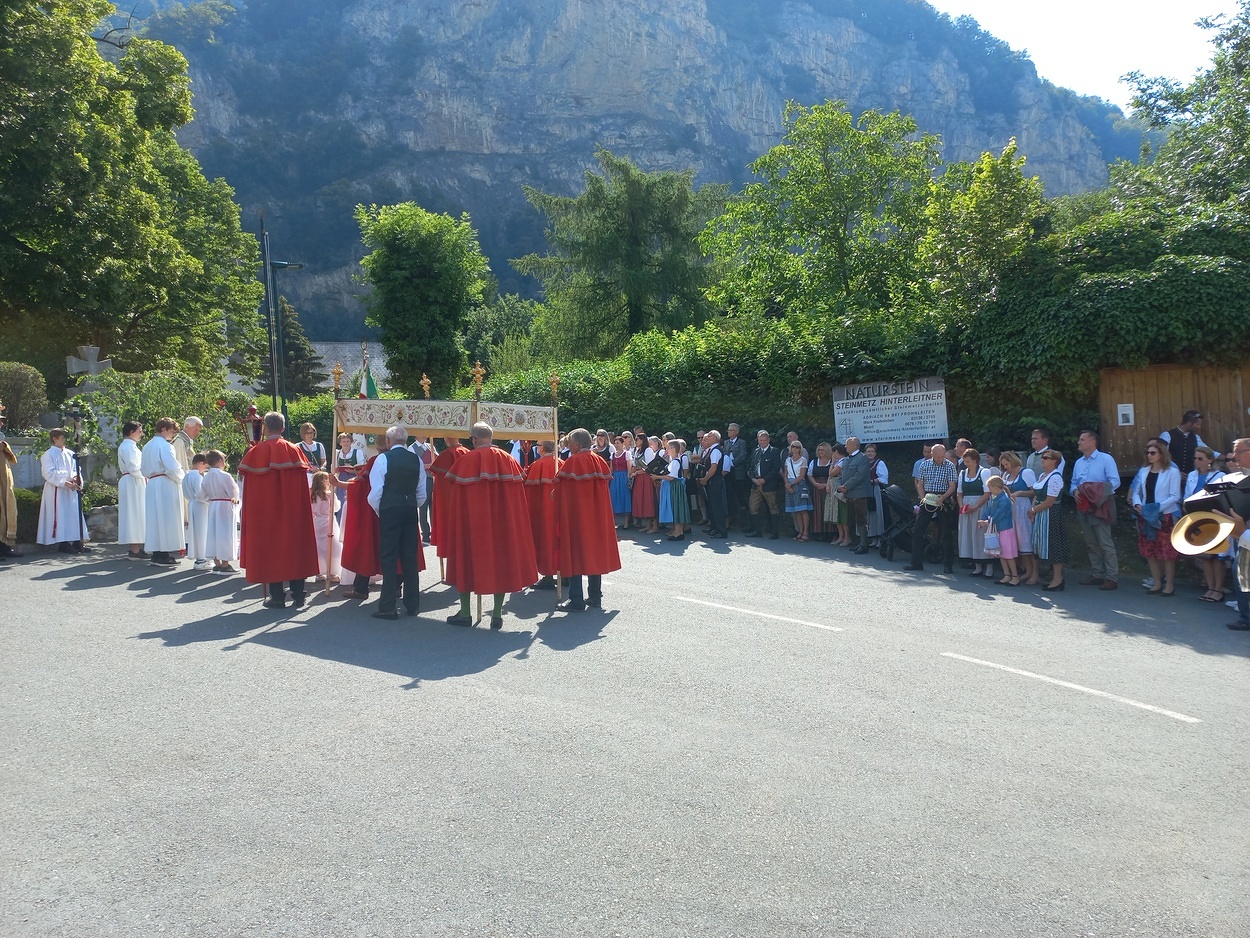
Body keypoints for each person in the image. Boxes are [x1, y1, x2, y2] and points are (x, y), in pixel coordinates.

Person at [444, 422, 538, 630]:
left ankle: (465, 613)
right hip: (503, 524)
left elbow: (456, 498)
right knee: (501, 564)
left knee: (465, 561)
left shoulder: (465, 461)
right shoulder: (509, 460)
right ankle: (496, 614)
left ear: (474, 439)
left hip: (472, 525)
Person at [238, 411, 319, 610]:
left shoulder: (256, 452)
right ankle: (298, 595)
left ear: (265, 428)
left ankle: (277, 597)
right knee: (295, 549)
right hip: (294, 512)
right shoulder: (295, 450)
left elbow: (246, 487)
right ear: (282, 428)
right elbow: (306, 483)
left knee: (272, 550)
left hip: (267, 514)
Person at [553, 428, 622, 611]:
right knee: (594, 553)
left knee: (575, 553)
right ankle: (595, 597)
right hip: (597, 516)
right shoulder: (598, 460)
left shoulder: (573, 461)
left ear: (576, 444)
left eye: (570, 443)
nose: (568, 446)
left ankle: (576, 599)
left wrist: (555, 494)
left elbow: (562, 490)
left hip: (577, 516)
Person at [367, 426, 426, 620]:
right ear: (405, 440)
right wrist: (411, 504)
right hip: (409, 508)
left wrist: (381, 510)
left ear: (388, 441)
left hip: (390, 510)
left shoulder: (383, 459)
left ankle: (387, 606)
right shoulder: (416, 460)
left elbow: (375, 492)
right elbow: (421, 492)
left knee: (389, 557)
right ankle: (413, 604)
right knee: (409, 557)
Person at [1129, 439, 1182, 596]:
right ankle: (1157, 582)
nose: (1149, 455)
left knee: (1167, 551)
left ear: (1161, 454)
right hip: (1146, 515)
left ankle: (1169, 584)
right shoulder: (1144, 471)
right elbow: (1137, 492)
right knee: (1150, 549)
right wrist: (1138, 504)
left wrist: (1156, 508)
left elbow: (1175, 496)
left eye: (1153, 453)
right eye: (1148, 453)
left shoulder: (1172, 472)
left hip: (1164, 515)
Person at [338, 435, 389, 599]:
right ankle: (395, 588)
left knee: (368, 546)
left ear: (377, 446)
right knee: (392, 549)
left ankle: (361, 589)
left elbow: (360, 486)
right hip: (395, 510)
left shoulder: (375, 460)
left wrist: (337, 483)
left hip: (373, 510)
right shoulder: (402, 459)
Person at [1071, 429, 1121, 590]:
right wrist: (1075, 491)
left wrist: (1095, 491)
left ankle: (1112, 577)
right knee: (1091, 542)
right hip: (1083, 505)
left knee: (1105, 542)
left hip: (1101, 505)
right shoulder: (1079, 462)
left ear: (1092, 442)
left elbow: (1115, 482)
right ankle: (1097, 574)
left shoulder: (1106, 459)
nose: (1078, 442)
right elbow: (1073, 482)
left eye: (1082, 439)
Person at [1183, 446, 1228, 603]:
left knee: (1217, 556)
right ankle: (1210, 587)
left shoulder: (1220, 476)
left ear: (1210, 460)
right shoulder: (1192, 475)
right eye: (1195, 458)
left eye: (1200, 458)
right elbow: (1187, 496)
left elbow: (1222, 497)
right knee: (1205, 556)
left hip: (1215, 519)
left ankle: (1218, 589)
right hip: (1198, 518)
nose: (1197, 461)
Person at [907, 443, 958, 573]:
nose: (940, 459)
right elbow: (920, 484)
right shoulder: (924, 465)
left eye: (942, 456)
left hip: (943, 498)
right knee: (918, 530)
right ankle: (916, 563)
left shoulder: (950, 466)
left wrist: (944, 497)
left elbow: (952, 485)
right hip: (928, 498)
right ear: (932, 454)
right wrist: (922, 498)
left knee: (946, 532)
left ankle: (948, 565)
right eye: (938, 456)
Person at [37, 428, 89, 554]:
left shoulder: (70, 453)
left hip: (71, 490)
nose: (65, 439)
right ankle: (63, 543)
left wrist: (76, 478)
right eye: (63, 437)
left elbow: (76, 469)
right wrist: (65, 482)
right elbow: (48, 473)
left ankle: (76, 541)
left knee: (73, 515)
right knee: (61, 515)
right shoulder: (48, 454)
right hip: (57, 490)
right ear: (55, 438)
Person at [141, 418, 184, 566]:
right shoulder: (165, 446)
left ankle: (157, 553)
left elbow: (143, 469)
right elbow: (172, 467)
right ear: (164, 429)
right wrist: (183, 479)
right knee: (166, 518)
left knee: (155, 519)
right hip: (165, 483)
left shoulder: (147, 446)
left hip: (152, 483)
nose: (173, 435)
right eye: (172, 431)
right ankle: (163, 554)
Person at [1219, 438, 1250, 631]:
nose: (1234, 456)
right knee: (1241, 573)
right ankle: (1246, 616)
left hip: (1246, 533)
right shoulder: (1237, 477)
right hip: (1242, 535)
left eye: (1239, 452)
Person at [1028, 450, 1069, 591]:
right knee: (1038, 544)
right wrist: (1033, 509)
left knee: (1054, 545)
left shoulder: (1055, 477)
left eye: (1046, 458)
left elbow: (1050, 501)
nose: (1042, 460)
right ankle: (1040, 575)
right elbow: (1036, 495)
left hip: (1051, 514)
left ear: (1054, 461)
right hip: (1040, 513)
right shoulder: (1042, 476)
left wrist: (1033, 510)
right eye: (1042, 457)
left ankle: (1058, 579)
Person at [428, 437, 469, 572]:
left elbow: (440, 486)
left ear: (446, 439)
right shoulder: (468, 453)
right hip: (466, 502)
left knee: (450, 532)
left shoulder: (445, 456)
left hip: (449, 503)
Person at [998, 451, 1038, 585]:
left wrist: (1021, 492)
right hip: (1011, 510)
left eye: (1007, 464)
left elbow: (1035, 491)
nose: (1005, 467)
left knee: (1027, 541)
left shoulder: (1026, 473)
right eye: (1003, 465)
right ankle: (1027, 571)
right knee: (1018, 542)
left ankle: (1035, 573)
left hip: (1023, 508)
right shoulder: (1006, 475)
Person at [524, 440, 560, 589]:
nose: (536, 448)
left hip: (543, 512)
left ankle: (548, 576)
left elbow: (528, 491)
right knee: (559, 541)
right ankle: (564, 575)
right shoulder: (561, 463)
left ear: (543, 448)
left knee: (546, 540)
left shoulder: (537, 465)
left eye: (538, 445)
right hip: (559, 511)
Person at [198, 449, 239, 575]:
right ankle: (225, 564)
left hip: (213, 505)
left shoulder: (206, 476)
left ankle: (217, 563)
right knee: (225, 534)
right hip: (225, 505)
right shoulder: (225, 476)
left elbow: (200, 495)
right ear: (220, 461)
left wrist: (212, 499)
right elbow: (234, 493)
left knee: (214, 533)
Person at [957, 447, 994, 577]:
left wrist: (976, 506)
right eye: (965, 461)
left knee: (981, 535)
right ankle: (977, 566)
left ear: (975, 460)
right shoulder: (962, 474)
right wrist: (961, 506)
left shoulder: (984, 472)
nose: (966, 464)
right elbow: (959, 492)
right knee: (970, 534)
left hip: (980, 506)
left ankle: (989, 567)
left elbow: (987, 492)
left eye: (968, 461)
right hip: (966, 507)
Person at [979, 475, 1019, 584]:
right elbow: (988, 509)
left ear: (996, 487)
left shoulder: (1005, 500)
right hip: (997, 529)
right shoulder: (993, 497)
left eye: (990, 488)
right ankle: (1007, 575)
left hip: (1005, 529)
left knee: (1008, 554)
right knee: (1001, 553)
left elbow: (999, 515)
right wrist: (983, 519)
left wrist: (986, 522)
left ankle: (1015, 576)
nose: (989, 490)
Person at [116, 421, 147, 560]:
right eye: (139, 431)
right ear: (131, 432)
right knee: (133, 514)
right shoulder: (128, 447)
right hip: (133, 482)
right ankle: (134, 549)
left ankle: (136, 548)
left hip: (134, 481)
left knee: (135, 514)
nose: (141, 434)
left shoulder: (131, 446)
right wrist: (147, 474)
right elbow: (134, 467)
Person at [1159, 410, 1220, 479]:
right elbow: (1161, 455)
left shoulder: (1195, 437)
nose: (1199, 427)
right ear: (1189, 423)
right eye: (1197, 424)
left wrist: (1226, 457)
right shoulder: (1167, 435)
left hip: (1190, 477)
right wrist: (1175, 472)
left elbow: (1208, 452)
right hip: (1171, 476)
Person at [839, 436, 872, 555]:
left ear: (854, 445)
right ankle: (858, 542)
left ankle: (864, 545)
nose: (845, 446)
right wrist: (840, 485)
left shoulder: (863, 458)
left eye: (847, 444)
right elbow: (842, 474)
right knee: (854, 519)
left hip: (859, 494)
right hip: (849, 494)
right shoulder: (846, 459)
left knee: (861, 519)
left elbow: (859, 476)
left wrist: (846, 486)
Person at [747, 430, 783, 539]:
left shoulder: (774, 451)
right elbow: (750, 467)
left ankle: (774, 532)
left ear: (768, 440)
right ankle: (757, 531)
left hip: (769, 485)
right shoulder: (755, 451)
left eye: (764, 440)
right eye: (760, 440)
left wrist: (765, 479)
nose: (762, 442)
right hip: (756, 484)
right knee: (753, 507)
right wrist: (753, 478)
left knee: (773, 507)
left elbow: (775, 469)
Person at [310, 470, 342, 584]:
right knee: (333, 547)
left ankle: (319, 572)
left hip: (317, 522)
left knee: (319, 548)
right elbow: (336, 508)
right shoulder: (329, 494)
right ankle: (332, 572)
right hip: (329, 522)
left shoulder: (312, 495)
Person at [698, 429, 728, 538]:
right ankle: (714, 527)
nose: (706, 438)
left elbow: (713, 468)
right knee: (711, 506)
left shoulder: (716, 450)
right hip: (710, 481)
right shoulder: (711, 450)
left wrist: (705, 479)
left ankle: (721, 531)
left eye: (709, 436)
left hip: (714, 481)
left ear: (716, 438)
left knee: (716, 507)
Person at [658, 439, 690, 541]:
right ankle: (677, 531)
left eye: (668, 448)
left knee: (676, 508)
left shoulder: (675, 462)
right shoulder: (673, 461)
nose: (666, 450)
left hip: (675, 487)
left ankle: (678, 532)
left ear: (673, 449)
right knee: (675, 508)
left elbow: (671, 477)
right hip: (673, 486)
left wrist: (657, 476)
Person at [182, 453, 210, 571]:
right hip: (200, 505)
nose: (206, 469)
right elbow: (200, 494)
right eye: (206, 466)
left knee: (195, 532)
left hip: (192, 504)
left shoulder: (186, 476)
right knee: (202, 531)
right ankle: (202, 558)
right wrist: (211, 499)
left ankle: (199, 558)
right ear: (200, 463)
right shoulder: (197, 476)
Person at [782, 439, 812, 541]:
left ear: (800, 449)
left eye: (797, 447)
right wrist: (787, 484)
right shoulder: (788, 460)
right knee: (796, 511)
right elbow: (785, 473)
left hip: (799, 484)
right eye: (793, 447)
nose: (794, 449)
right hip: (789, 484)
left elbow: (802, 475)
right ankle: (800, 531)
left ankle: (805, 532)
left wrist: (791, 484)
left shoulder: (803, 460)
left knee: (803, 510)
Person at [723, 422, 749, 528]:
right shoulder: (725, 443)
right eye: (728, 430)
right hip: (727, 474)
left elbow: (743, 456)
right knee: (729, 496)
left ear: (737, 432)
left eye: (731, 430)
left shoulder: (741, 443)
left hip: (737, 473)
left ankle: (744, 522)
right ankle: (729, 520)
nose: (729, 432)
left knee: (740, 497)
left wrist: (731, 463)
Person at [808, 442, 834, 543]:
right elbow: (810, 475)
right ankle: (818, 532)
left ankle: (830, 533)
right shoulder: (814, 462)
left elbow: (834, 475)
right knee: (818, 509)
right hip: (816, 488)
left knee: (829, 509)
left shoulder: (832, 462)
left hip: (829, 487)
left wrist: (826, 484)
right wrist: (815, 484)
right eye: (819, 450)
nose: (820, 452)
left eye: (822, 450)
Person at [0, 432, 20, 560]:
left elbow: (10, 458)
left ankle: (5, 546)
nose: (1, 424)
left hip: (4, 482)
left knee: (7, 511)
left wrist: (4, 446)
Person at [865, 443, 889, 546]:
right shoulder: (863, 463)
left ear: (875, 453)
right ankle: (873, 539)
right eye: (868, 451)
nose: (870, 453)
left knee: (878, 513)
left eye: (872, 451)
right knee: (869, 514)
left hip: (876, 490)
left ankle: (880, 539)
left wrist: (872, 481)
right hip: (866, 490)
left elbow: (884, 478)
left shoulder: (879, 463)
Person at [607, 433, 632, 528]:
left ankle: (626, 522)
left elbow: (629, 468)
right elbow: (611, 468)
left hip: (623, 476)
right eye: (615, 443)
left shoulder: (627, 454)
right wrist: (610, 477)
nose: (616, 445)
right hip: (615, 477)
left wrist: (628, 478)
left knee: (624, 497)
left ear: (622, 444)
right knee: (613, 496)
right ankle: (613, 522)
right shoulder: (613, 455)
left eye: (618, 443)